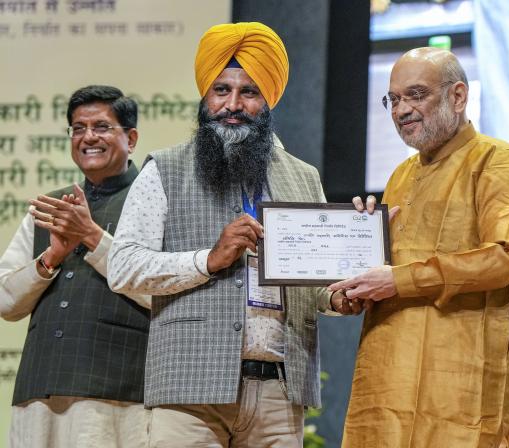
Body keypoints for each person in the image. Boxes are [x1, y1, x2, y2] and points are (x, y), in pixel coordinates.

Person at [107, 22, 343, 447]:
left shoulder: (305, 179)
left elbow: (318, 279)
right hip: (188, 393)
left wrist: (340, 295)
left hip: (278, 392)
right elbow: (122, 268)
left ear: (267, 100)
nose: (232, 104)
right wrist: (207, 260)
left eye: (248, 92)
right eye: (221, 90)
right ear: (205, 96)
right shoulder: (165, 168)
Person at [328, 47, 509, 447]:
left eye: (416, 95)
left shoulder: (496, 161)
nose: (401, 110)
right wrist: (354, 277)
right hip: (386, 385)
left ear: (458, 96)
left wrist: (400, 280)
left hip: (461, 389)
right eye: (393, 99)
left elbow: (508, 256)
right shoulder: (400, 177)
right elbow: (383, 280)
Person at [0, 85, 149, 447]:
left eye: (101, 127)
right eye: (78, 128)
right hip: (39, 393)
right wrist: (50, 259)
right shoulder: (50, 207)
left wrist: (92, 237)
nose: (88, 137)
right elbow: (5, 301)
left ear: (130, 138)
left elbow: (164, 290)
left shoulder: (153, 198)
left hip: (116, 396)